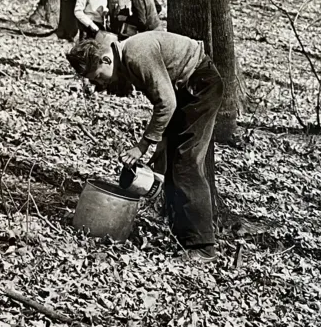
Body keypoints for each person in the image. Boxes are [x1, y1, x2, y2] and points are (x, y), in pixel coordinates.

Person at [65, 32, 224, 262]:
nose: (100, 83)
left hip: (201, 88)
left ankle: (203, 247)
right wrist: (159, 145)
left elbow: (166, 103)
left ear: (106, 60)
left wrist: (141, 146)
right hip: (187, 91)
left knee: (187, 165)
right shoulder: (128, 57)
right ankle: (183, 238)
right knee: (172, 162)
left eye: (98, 76)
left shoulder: (136, 55)